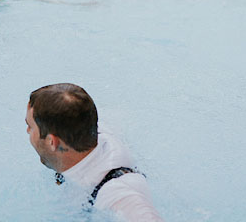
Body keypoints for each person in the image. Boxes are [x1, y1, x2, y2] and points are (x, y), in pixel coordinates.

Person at [26, 83, 164, 221]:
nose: (27, 131)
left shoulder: (116, 191)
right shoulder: (83, 125)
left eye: (30, 127)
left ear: (52, 142)